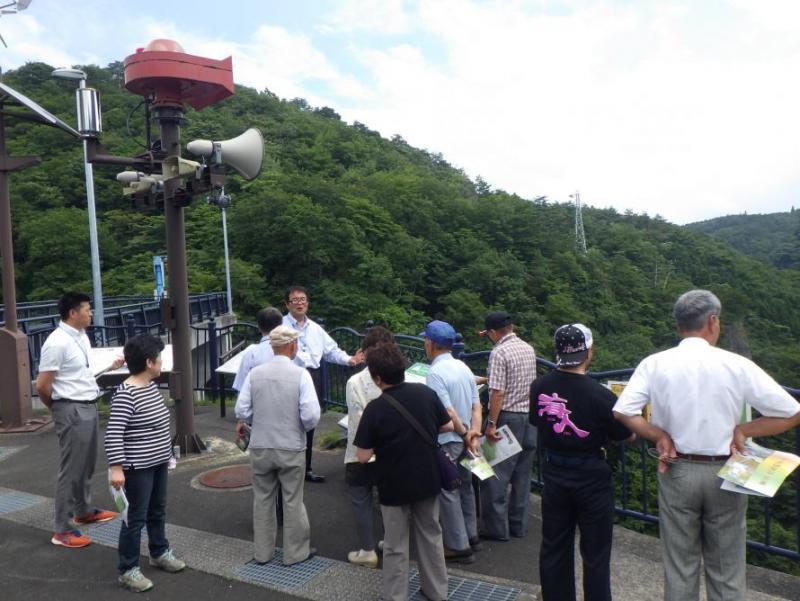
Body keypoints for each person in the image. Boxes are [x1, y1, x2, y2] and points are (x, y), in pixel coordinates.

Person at [613, 290, 800, 601]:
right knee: (727, 570)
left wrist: (659, 436)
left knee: (680, 566)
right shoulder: (735, 364)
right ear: (713, 322)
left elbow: (622, 411)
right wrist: (743, 429)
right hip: (727, 472)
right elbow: (793, 413)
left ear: (678, 326)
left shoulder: (654, 363)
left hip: (677, 469)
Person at [530, 324, 634, 601]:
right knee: (595, 555)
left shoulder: (540, 386)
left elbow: (537, 421)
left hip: (554, 473)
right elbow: (624, 434)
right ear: (588, 352)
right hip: (592, 478)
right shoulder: (601, 395)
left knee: (553, 548)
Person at [354, 342, 453, 601]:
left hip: (393, 483)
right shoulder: (425, 393)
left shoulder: (375, 408)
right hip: (428, 477)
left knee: (396, 545)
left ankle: (396, 596)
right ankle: (437, 592)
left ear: (377, 378)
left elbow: (363, 457)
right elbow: (447, 426)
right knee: (431, 536)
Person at [35, 291, 123, 548]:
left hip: (87, 405)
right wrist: (59, 407)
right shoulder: (57, 342)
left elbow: (80, 372)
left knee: (86, 463)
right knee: (70, 469)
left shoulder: (81, 336)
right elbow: (42, 385)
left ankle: (83, 510)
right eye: (87, 308)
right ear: (73, 313)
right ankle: (62, 529)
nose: (91, 312)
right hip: (70, 409)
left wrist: (109, 366)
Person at [235, 325, 320, 565]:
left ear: (272, 347)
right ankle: (295, 553)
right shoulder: (301, 374)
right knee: (292, 499)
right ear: (292, 345)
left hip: (261, 445)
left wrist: (254, 420)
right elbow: (311, 415)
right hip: (291, 445)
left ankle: (263, 553)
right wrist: (300, 427)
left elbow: (241, 409)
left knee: (262, 499)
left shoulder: (255, 374)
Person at [106, 335, 185, 593]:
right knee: (134, 518)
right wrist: (116, 468)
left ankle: (159, 551)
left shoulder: (150, 387)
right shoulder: (126, 394)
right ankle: (127, 569)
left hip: (158, 462)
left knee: (157, 510)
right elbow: (114, 433)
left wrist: (167, 455)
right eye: (159, 358)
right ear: (149, 362)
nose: (162, 362)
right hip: (137, 468)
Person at [282, 285, 365, 483]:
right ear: (287, 304)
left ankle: (306, 468)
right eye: (295, 300)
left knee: (309, 421)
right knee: (288, 422)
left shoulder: (315, 329)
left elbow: (331, 351)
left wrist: (350, 359)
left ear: (308, 303)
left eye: (303, 299)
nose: (300, 303)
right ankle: (287, 468)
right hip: (289, 376)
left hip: (313, 377)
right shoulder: (281, 327)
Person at [421, 319, 482, 564]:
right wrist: (474, 434)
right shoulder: (463, 367)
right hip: (468, 439)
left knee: (448, 490)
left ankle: (458, 545)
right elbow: (477, 405)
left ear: (432, 344)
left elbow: (448, 413)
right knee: (465, 485)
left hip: (450, 438)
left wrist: (464, 433)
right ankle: (471, 534)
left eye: (426, 339)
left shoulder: (435, 373)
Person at [478, 310, 538, 541]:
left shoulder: (499, 352)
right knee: (522, 476)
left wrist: (491, 424)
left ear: (494, 332)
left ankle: (495, 528)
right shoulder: (527, 348)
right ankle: (517, 525)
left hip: (507, 419)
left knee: (494, 474)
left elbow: (498, 392)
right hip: (530, 418)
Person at [344, 325, 395, 568]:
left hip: (360, 451)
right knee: (388, 499)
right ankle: (390, 541)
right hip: (391, 451)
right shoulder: (396, 378)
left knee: (360, 499)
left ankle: (367, 550)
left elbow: (357, 418)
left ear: (364, 352)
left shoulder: (356, 381)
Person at [232, 306, 283, 391]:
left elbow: (241, 389)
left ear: (259, 327)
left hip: (258, 402)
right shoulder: (292, 351)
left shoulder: (251, 355)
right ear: (281, 326)